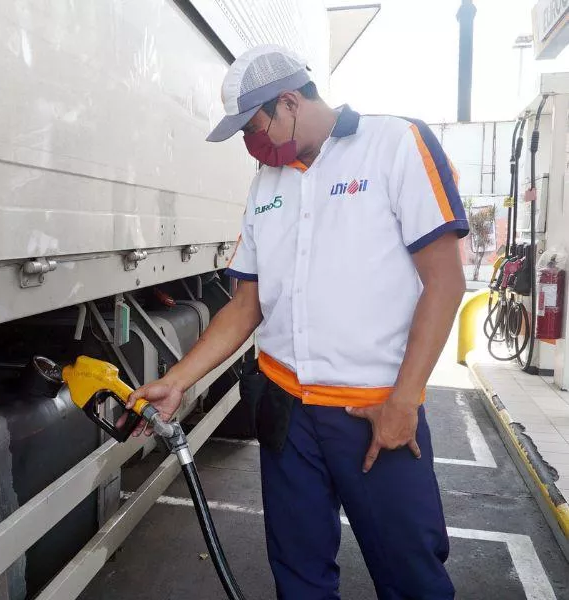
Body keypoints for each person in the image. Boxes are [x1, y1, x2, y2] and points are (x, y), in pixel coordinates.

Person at [126, 44, 468, 599]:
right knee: (299, 575)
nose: (249, 144)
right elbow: (246, 305)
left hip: (374, 411)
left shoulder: (395, 145)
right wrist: (177, 381)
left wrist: (405, 402)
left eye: (253, 128)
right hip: (287, 411)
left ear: (289, 102)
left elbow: (445, 280)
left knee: (412, 578)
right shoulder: (268, 183)